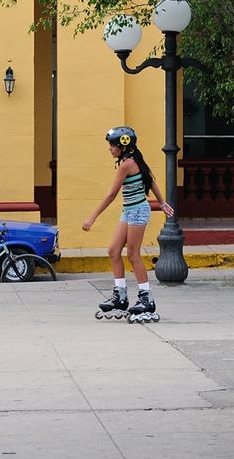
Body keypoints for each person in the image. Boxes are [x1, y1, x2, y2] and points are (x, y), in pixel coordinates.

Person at [82, 127, 173, 322]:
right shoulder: (130, 160)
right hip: (129, 210)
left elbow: (111, 194)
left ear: (123, 146)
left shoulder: (127, 164)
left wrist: (92, 217)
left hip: (138, 211)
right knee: (113, 251)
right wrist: (162, 202)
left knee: (133, 255)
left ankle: (146, 298)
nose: (110, 149)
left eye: (112, 145)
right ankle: (120, 296)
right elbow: (151, 181)